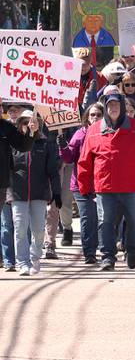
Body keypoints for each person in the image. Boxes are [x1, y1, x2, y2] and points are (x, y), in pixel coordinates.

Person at [77, 88, 135, 271]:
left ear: (122, 106)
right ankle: (108, 257)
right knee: (105, 222)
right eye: (110, 104)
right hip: (104, 187)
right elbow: (84, 161)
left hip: (133, 187)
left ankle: (132, 250)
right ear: (105, 107)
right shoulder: (94, 130)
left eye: (116, 104)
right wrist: (84, 186)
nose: (113, 108)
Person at [9, 111, 58, 276]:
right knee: (20, 227)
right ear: (19, 124)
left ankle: (35, 258)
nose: (29, 125)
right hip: (17, 193)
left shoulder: (45, 143)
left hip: (40, 193)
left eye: (34, 122)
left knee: (38, 230)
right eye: (25, 122)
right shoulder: (12, 144)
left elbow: (53, 170)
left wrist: (56, 192)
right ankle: (22, 262)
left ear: (39, 125)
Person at [58, 103, 103, 264]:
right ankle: (89, 253)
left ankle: (100, 248)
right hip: (81, 183)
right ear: (87, 117)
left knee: (100, 218)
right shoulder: (79, 134)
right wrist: (63, 146)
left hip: (102, 184)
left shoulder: (108, 133)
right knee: (87, 217)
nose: (95, 117)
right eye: (92, 115)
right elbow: (68, 158)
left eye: (98, 114)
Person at [1, 101, 35, 272]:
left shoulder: (6, 127)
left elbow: (24, 146)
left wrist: (30, 131)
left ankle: (8, 259)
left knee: (6, 223)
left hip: (2, 183)